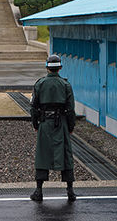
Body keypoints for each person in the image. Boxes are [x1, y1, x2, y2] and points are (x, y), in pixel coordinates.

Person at [29, 54, 77, 202]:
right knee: (66, 155)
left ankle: (39, 191)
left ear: (47, 68)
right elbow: (70, 109)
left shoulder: (40, 84)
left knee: (42, 156)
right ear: (60, 68)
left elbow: (33, 107)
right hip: (61, 122)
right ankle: (70, 191)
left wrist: (36, 124)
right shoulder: (65, 85)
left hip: (45, 123)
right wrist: (70, 126)